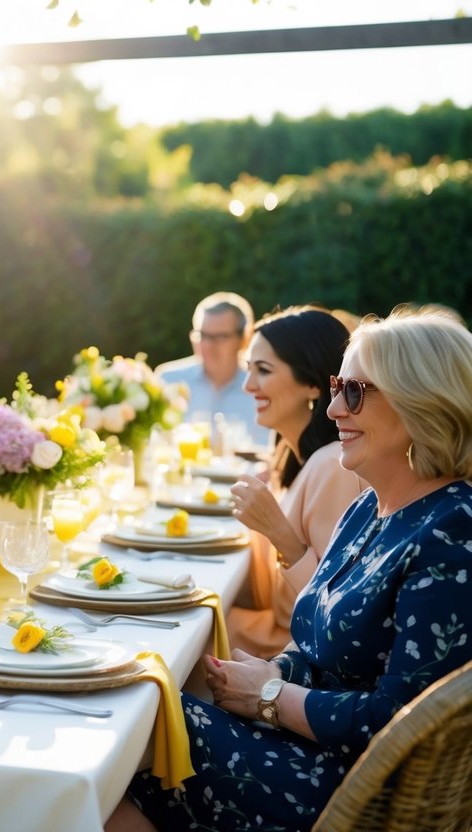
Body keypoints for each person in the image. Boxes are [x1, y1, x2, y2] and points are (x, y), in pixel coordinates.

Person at [108, 305, 472, 832]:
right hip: (303, 745)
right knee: (138, 706)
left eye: (355, 392)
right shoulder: (369, 507)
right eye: (334, 387)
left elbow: (398, 721)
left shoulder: (453, 529)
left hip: (352, 785)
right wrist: (275, 671)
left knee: (136, 723)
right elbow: (326, 651)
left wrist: (270, 696)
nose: (333, 411)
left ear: (422, 402)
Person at [227, 306, 368, 658]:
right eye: (248, 369)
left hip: (295, 653)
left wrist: (278, 532)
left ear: (310, 383)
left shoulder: (333, 466)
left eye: (263, 370)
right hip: (276, 633)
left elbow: (332, 614)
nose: (248, 385)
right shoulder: (287, 456)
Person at [156, 292, 270, 449]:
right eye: (202, 335)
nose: (208, 345)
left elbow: (267, 452)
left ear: (244, 339)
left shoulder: (262, 389)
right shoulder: (168, 380)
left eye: (220, 337)